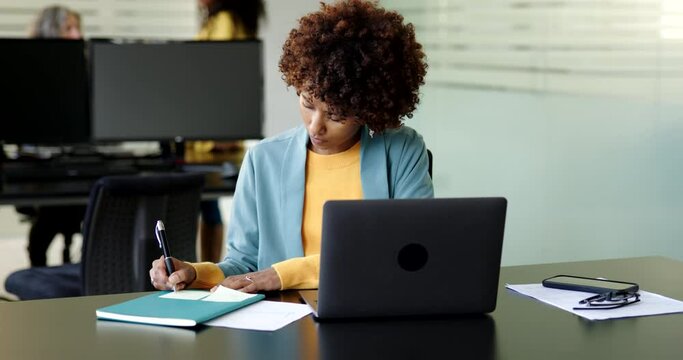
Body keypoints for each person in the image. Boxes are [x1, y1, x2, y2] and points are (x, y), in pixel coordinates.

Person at [150, 0, 432, 292]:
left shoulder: (402, 151)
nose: (315, 126)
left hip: (375, 311)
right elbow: (244, 265)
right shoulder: (263, 160)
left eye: (336, 115)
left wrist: (283, 274)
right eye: (307, 104)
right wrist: (195, 273)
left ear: (370, 109)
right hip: (284, 321)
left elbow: (408, 252)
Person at [191, 0, 266, 263]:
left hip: (213, 138)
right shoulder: (220, 20)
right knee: (207, 206)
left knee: (207, 206)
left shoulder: (226, 21)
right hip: (210, 133)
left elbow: (219, 75)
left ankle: (207, 271)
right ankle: (205, 270)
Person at [15, 5, 85, 267]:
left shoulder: (84, 70)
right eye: (69, 28)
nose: (77, 35)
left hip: (79, 168)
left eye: (78, 27)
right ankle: (39, 280)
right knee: (48, 221)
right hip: (40, 172)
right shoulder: (27, 73)